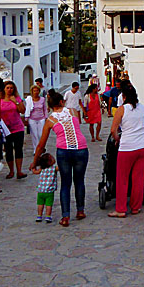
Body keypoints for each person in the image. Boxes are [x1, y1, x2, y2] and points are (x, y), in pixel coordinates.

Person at [31, 89, 89, 227]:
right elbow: (77, 125)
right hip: (81, 148)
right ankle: (80, 211)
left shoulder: (50, 120)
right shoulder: (73, 112)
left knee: (66, 183)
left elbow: (41, 145)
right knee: (79, 181)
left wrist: (34, 162)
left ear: (50, 106)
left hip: (64, 151)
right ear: (62, 101)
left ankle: (65, 216)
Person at [108, 84, 144, 217]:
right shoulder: (142, 107)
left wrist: (117, 139)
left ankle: (120, 209)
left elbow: (113, 130)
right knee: (138, 178)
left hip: (127, 146)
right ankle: (136, 207)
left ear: (123, 96)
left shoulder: (122, 109)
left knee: (122, 178)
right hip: (142, 145)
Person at [0, 80, 27, 179]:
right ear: (4, 89)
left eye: (11, 88)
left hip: (18, 127)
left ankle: (19, 171)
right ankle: (11, 171)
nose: (9, 90)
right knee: (8, 150)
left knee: (19, 149)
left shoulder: (17, 98)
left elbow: (22, 110)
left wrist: (15, 101)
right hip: (6, 129)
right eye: (7, 88)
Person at [32, 152, 57, 223]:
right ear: (50, 161)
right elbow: (61, 168)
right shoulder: (54, 168)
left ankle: (39, 216)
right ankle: (48, 216)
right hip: (49, 191)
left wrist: (33, 168)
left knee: (40, 204)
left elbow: (35, 171)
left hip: (40, 190)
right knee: (48, 204)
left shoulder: (41, 169)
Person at [25, 85, 48, 153]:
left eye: (37, 90)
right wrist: (26, 118)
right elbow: (27, 109)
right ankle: (36, 149)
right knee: (34, 134)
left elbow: (45, 109)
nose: (36, 92)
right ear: (32, 92)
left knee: (41, 134)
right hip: (32, 119)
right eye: (34, 91)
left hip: (41, 118)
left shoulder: (42, 99)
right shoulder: (29, 100)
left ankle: (42, 147)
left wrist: (46, 117)